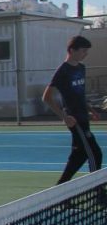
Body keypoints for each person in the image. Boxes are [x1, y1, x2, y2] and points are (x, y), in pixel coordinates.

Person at [42, 34, 102, 183]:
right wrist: (65, 117)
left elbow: (80, 94)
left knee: (79, 154)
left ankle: (60, 188)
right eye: (83, 51)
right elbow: (46, 97)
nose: (85, 54)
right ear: (72, 50)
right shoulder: (63, 71)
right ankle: (97, 189)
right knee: (95, 153)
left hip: (84, 117)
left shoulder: (81, 68)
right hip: (75, 120)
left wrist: (91, 109)